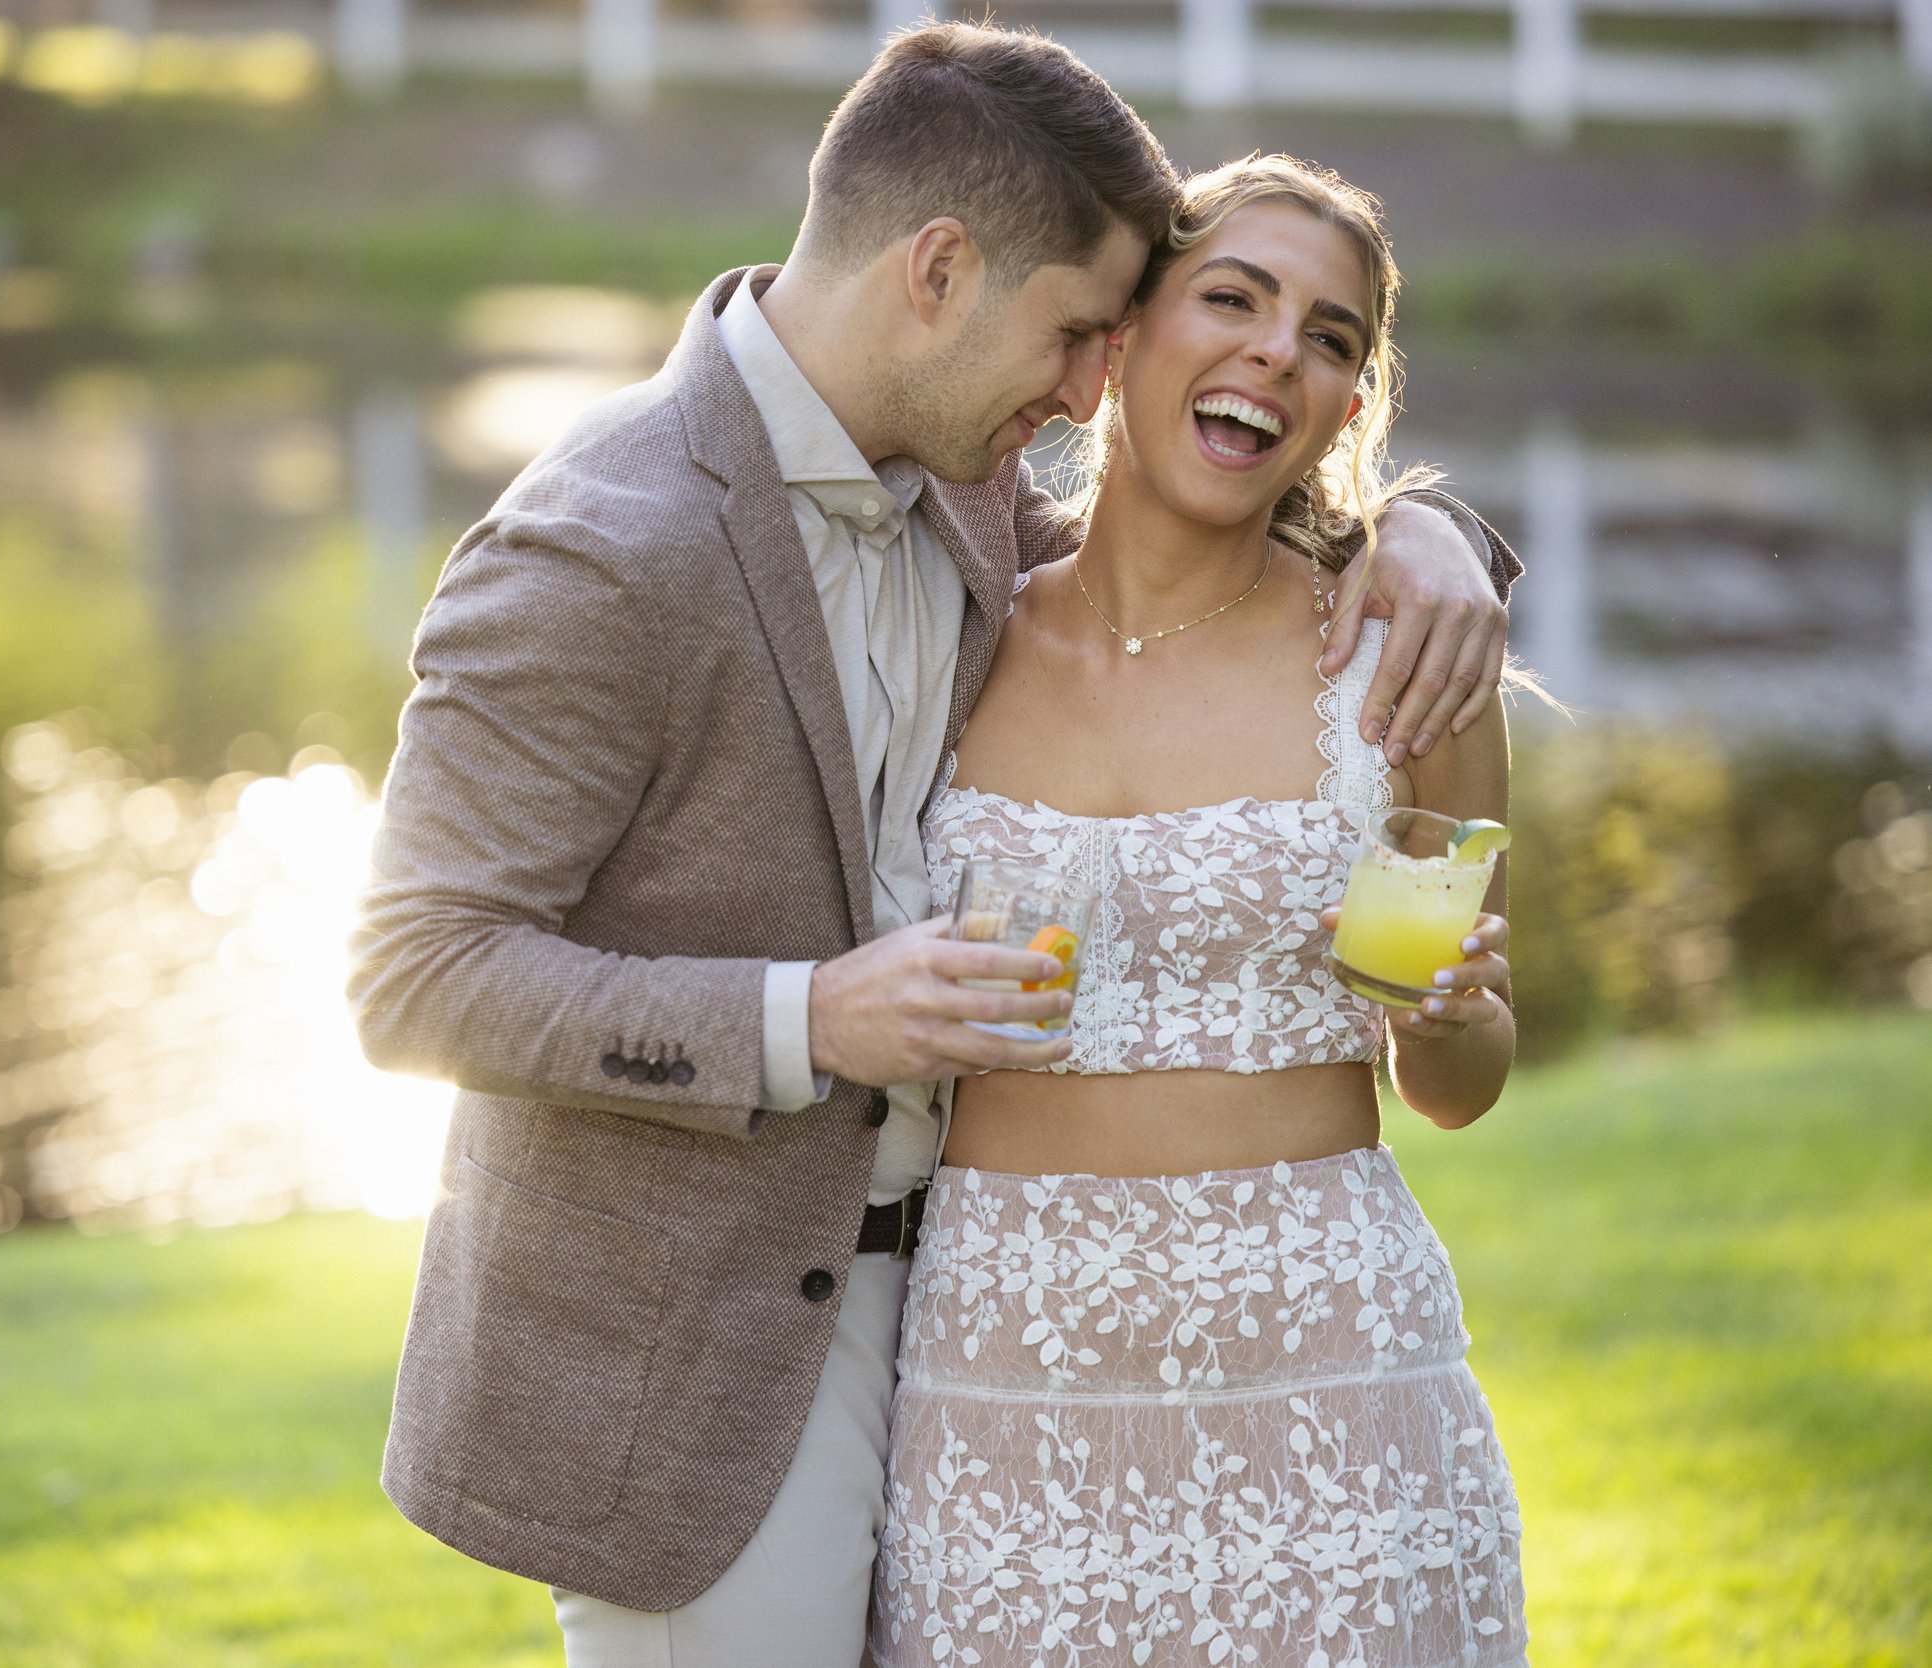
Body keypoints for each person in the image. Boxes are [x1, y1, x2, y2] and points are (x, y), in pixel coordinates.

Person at [349, 26, 1522, 1668]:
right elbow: (413, 977)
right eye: (1077, 336)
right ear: (942, 272)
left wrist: (1440, 526)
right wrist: (812, 1016)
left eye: (1325, 334)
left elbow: (1188, 565)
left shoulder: (970, 509)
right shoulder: (597, 549)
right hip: (756, 1330)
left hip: (1145, 1321)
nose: (1075, 393)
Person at [867, 154, 1525, 1668]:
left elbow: (1457, 1087)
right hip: (1007, 1369)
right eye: (1231, 298)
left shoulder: (1403, 663)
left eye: (1331, 337)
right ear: (1123, 340)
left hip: (1332, 1375)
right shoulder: (950, 631)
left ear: (1346, 408)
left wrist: (1464, 1016)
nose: (1276, 353)